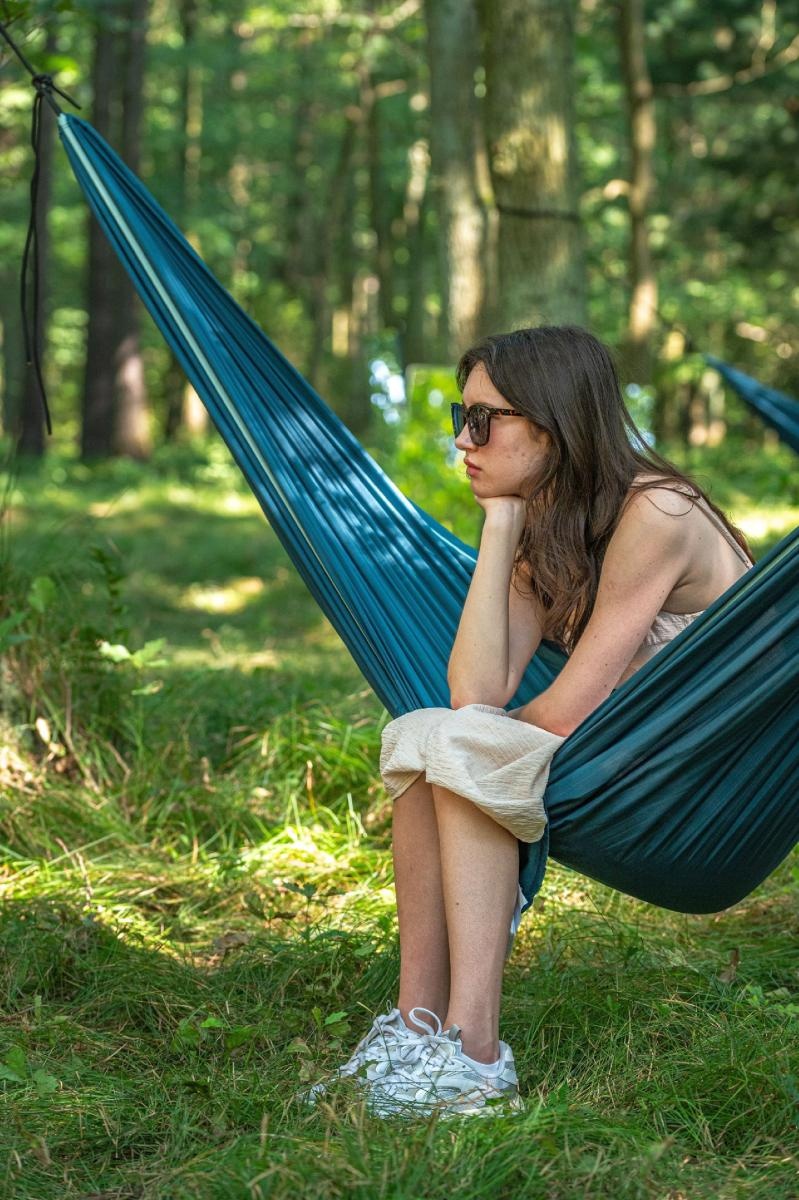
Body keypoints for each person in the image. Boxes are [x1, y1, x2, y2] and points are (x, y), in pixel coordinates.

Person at [306, 325, 753, 1119]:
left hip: (700, 777)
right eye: (459, 416)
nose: (462, 440)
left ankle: (474, 1055)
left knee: (455, 745)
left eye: (486, 420)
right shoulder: (549, 520)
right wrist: (502, 523)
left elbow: (567, 706)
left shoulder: (656, 510)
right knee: (422, 734)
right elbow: (474, 687)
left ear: (551, 422)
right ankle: (417, 1031)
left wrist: (475, 748)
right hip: (620, 755)